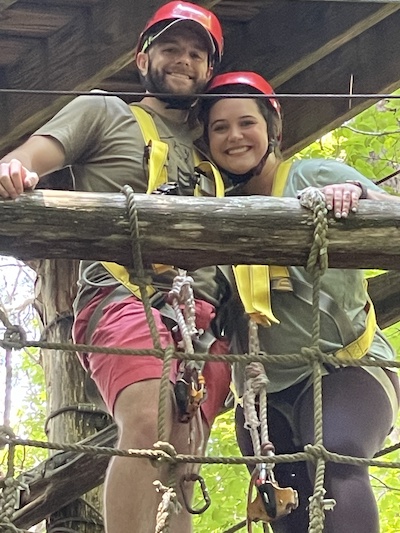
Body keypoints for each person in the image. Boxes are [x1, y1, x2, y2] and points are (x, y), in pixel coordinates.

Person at [0, 4, 232, 532]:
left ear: (208, 71)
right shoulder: (105, 111)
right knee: (148, 420)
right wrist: (15, 170)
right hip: (123, 295)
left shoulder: (213, 148)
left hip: (205, 319)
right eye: (171, 48)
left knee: (183, 454)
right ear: (142, 57)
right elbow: (30, 157)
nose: (184, 60)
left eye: (197, 53)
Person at [200, 71, 400, 533]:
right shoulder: (211, 207)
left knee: (336, 451)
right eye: (219, 127)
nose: (234, 136)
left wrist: (356, 195)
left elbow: (385, 208)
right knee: (285, 503)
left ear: (272, 129)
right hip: (262, 390)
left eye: (246, 122)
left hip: (345, 367)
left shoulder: (311, 176)